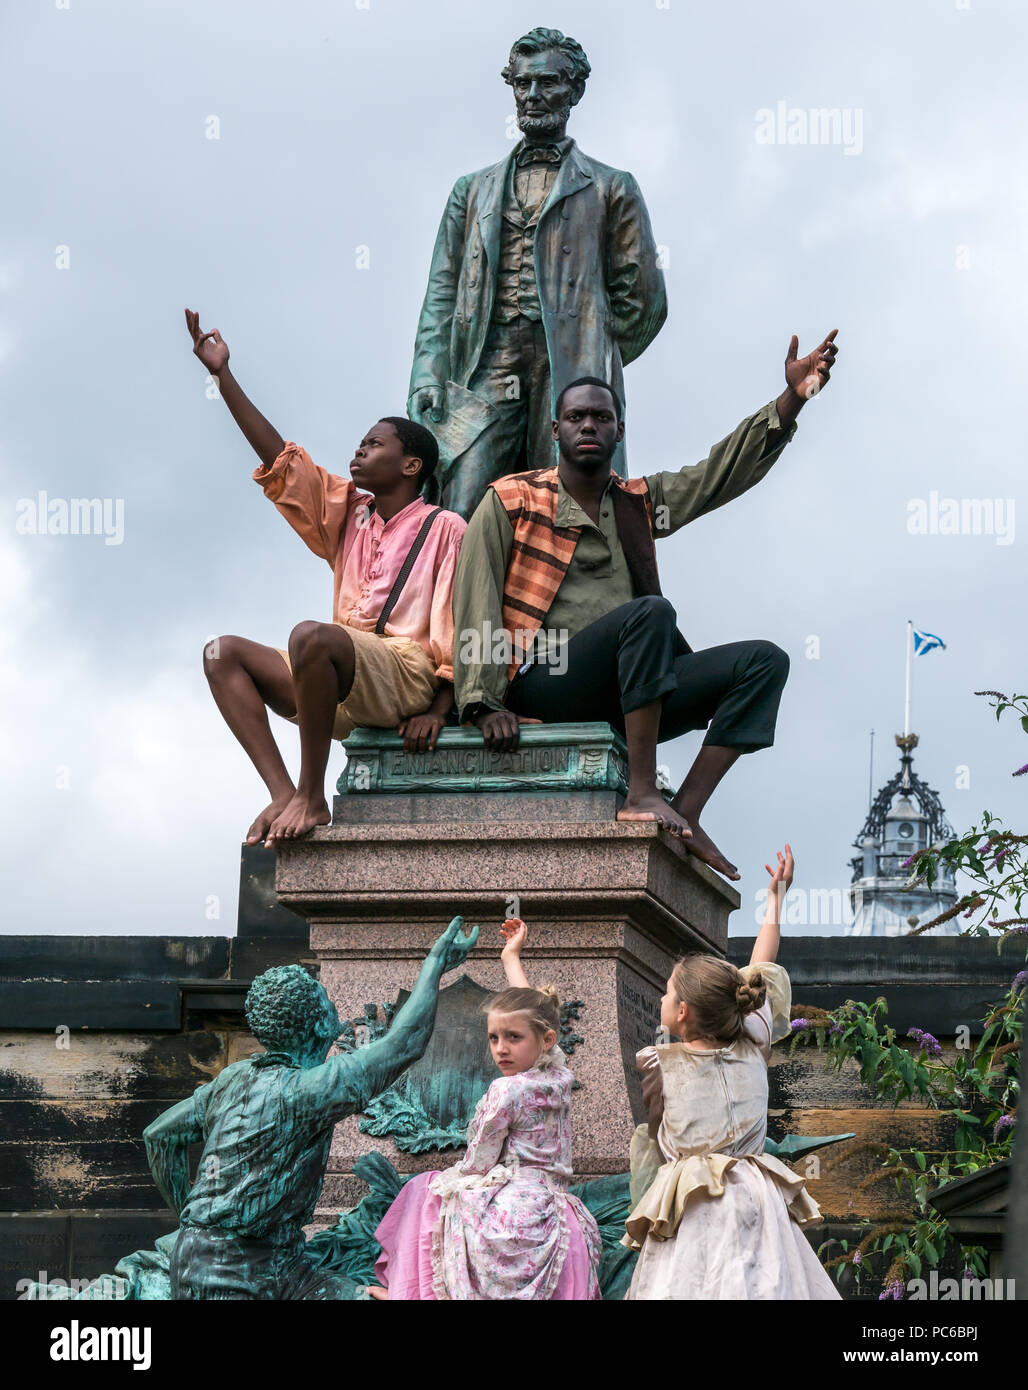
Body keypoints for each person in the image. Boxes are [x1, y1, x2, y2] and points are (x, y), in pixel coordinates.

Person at [452, 330, 840, 879]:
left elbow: (714, 477)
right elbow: (477, 602)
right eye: (578, 417)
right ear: (555, 429)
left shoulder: (636, 504)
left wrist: (792, 400)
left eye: (602, 418)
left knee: (765, 661)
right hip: (547, 678)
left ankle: (686, 809)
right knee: (652, 613)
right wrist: (483, 702)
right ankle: (640, 792)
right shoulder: (512, 499)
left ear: (619, 431)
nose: (589, 425)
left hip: (633, 691)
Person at [185, 309, 467, 847]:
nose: (360, 450)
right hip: (336, 685)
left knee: (311, 636)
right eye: (361, 442)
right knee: (221, 654)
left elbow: (456, 623)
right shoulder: (349, 515)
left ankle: (314, 798)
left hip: (404, 676)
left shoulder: (444, 526)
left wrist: (438, 709)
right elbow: (281, 462)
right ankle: (283, 791)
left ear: (412, 466)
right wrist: (223, 376)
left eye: (376, 443)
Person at [141, 917, 479, 1300]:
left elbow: (158, 1136)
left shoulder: (235, 1078)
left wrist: (195, 1221)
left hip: (272, 1265)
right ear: (320, 1026)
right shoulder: (306, 1092)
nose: (336, 1007)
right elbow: (403, 1044)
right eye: (328, 1000)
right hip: (234, 1280)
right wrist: (434, 964)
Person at [408, 26, 666, 518]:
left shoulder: (613, 187)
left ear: (574, 90)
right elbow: (441, 294)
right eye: (522, 84)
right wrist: (426, 375)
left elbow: (646, 301)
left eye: (546, 83)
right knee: (463, 504)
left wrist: (592, 344)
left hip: (568, 366)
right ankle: (462, 597)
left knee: (570, 504)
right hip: (484, 363)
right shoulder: (471, 190)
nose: (532, 96)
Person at [621, 846, 840, 1300]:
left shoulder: (661, 1063)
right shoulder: (753, 1039)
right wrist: (775, 900)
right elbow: (758, 972)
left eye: (664, 993)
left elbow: (659, 1143)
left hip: (697, 1206)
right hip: (754, 1197)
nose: (659, 1000)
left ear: (681, 1012)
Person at [370, 919, 602, 1300]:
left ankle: (407, 1293)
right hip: (554, 1205)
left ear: (544, 1040)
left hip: (514, 1208)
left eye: (512, 1038)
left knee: (425, 1190)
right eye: (493, 1038)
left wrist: (458, 1177)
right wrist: (511, 958)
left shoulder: (506, 1090)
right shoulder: (558, 1075)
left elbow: (479, 1162)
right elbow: (535, 1013)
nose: (501, 1049)